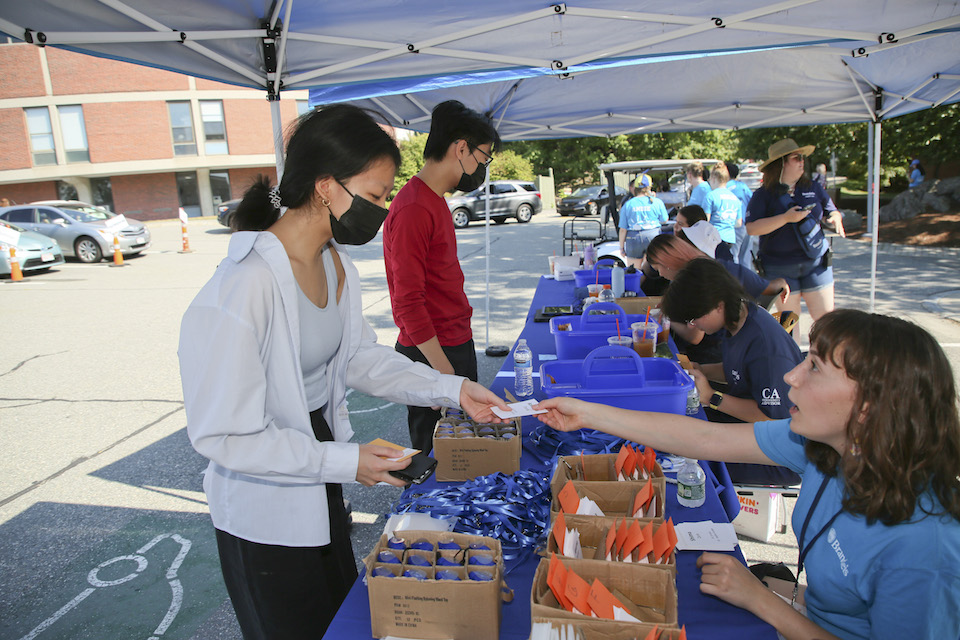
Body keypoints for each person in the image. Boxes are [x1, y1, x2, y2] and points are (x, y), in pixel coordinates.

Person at [178, 104, 507, 639]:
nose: (381, 211)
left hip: (319, 464)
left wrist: (453, 389)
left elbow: (358, 357)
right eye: (375, 196)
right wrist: (344, 459)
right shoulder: (242, 288)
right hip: (264, 502)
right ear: (326, 186)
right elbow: (224, 436)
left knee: (337, 614)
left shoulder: (336, 264)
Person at [534, 309, 960, 640]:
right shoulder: (827, 447)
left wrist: (763, 600)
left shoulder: (922, 547)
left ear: (868, 408)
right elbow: (704, 439)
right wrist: (586, 412)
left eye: (814, 368)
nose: (791, 376)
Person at [383, 100, 501, 454]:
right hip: (431, 354)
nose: (484, 166)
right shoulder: (415, 207)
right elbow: (408, 304)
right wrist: (444, 376)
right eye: (484, 156)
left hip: (450, 346)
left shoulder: (433, 200)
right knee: (442, 459)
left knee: (466, 450)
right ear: (460, 147)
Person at [661, 257, 801, 485]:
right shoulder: (737, 318)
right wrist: (701, 370)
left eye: (694, 319)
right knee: (675, 427)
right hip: (749, 429)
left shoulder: (765, 347)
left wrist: (712, 397)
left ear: (718, 305)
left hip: (778, 453)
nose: (692, 326)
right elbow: (737, 369)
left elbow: (774, 418)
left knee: (685, 459)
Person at [746, 139, 845, 339]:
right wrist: (785, 218)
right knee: (787, 331)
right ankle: (794, 367)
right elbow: (752, 228)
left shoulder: (813, 187)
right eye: (796, 158)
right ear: (781, 163)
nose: (802, 162)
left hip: (816, 264)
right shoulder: (763, 194)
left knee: (827, 325)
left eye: (803, 158)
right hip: (779, 269)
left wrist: (836, 217)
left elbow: (830, 209)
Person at [618, 179, 668, 268]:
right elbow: (664, 220)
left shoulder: (628, 204)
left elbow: (623, 229)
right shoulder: (657, 202)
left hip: (634, 238)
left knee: (634, 270)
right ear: (649, 187)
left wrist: (621, 248)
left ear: (635, 188)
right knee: (652, 269)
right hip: (653, 235)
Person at [699, 163, 741, 249]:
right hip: (730, 238)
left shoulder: (710, 196)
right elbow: (738, 223)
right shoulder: (735, 198)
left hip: (714, 238)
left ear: (714, 179)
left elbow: (705, 220)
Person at [725, 161, 755, 268]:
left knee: (734, 255)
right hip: (747, 225)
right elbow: (752, 201)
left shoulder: (725, 188)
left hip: (734, 225)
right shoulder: (743, 186)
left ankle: (736, 280)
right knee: (746, 256)